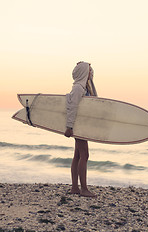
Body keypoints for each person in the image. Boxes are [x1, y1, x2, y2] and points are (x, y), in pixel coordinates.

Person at [64, 61, 97, 197]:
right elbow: (72, 107)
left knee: (78, 155)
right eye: (89, 70)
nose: (91, 73)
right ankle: (83, 189)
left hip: (82, 125)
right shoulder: (78, 88)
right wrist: (69, 127)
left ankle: (74, 188)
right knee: (84, 155)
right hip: (78, 126)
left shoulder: (84, 87)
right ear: (84, 72)